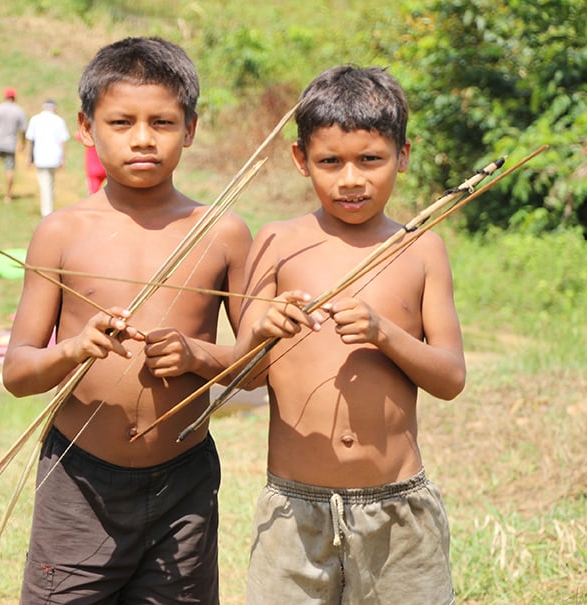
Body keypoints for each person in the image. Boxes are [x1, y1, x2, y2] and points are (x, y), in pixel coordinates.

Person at [2, 37, 252, 604]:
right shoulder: (61, 232)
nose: (143, 138)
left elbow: (259, 367)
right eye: (122, 122)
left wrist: (197, 355)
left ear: (190, 128)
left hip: (182, 479)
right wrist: (73, 350)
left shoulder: (221, 232)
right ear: (87, 129)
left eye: (162, 122)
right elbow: (17, 372)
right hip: (79, 478)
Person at [236, 65, 465, 604]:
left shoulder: (421, 248)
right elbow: (240, 377)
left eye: (371, 160)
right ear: (300, 160)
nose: (351, 179)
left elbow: (451, 377)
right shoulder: (276, 241)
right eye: (330, 162)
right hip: (293, 513)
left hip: (397, 511)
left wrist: (384, 333)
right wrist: (261, 335)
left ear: (402, 156)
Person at [25, 99, 71, 217]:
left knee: (45, 183)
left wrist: (29, 157)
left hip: (40, 156)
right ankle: (48, 208)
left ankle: (47, 212)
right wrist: (63, 158)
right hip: (55, 156)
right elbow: (63, 141)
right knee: (50, 182)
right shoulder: (59, 120)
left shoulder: (35, 119)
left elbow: (30, 140)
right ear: (54, 108)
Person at [0, 87, 27, 203]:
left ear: (5, 97)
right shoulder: (19, 111)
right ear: (15, 98)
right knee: (10, 170)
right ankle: (8, 196)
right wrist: (23, 143)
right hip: (10, 144)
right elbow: (23, 130)